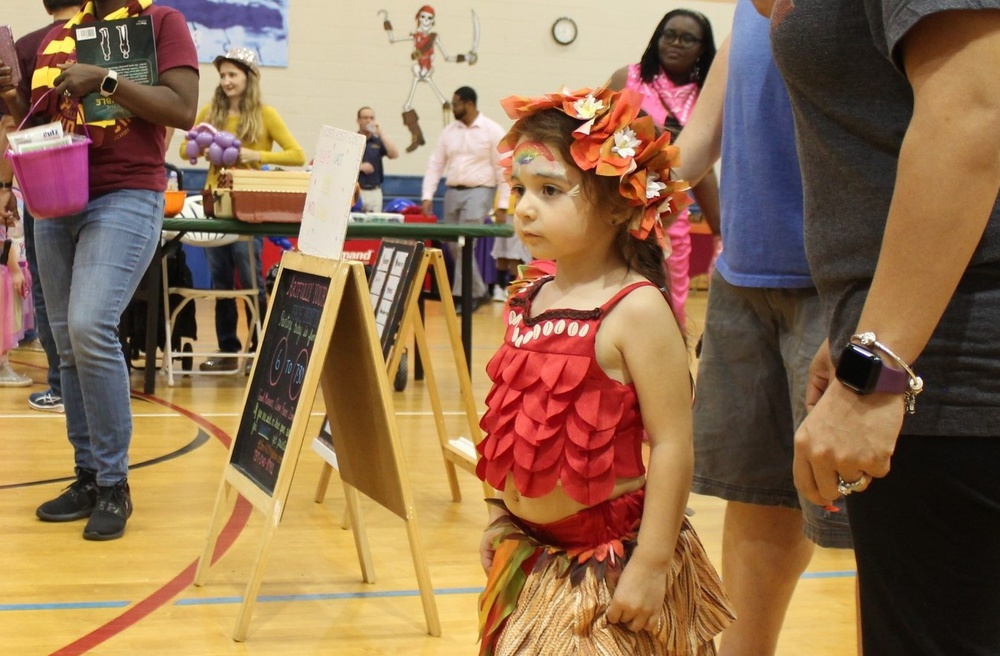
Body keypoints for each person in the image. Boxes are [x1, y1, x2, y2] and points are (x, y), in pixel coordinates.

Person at [768, 1, 1000, 653]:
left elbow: (975, 109)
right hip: (937, 355)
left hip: (961, 379)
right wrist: (860, 329)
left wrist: (875, 367)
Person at [476, 86, 734, 655]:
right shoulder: (528, 295)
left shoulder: (636, 308)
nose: (522, 206)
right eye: (519, 188)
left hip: (610, 568)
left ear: (621, 204)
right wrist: (498, 511)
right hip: (532, 555)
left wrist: (653, 561)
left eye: (549, 190)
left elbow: (672, 444)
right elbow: (509, 420)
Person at [673, 2, 852, 653]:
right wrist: (603, 166)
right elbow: (696, 142)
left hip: (840, 283)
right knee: (755, 498)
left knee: (869, 522)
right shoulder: (747, 14)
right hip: (745, 278)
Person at [0, 0, 199, 541]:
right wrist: (7, 95)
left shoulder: (161, 23)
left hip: (127, 193)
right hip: (54, 193)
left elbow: (182, 109)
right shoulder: (58, 34)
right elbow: (29, 119)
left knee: (89, 325)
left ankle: (114, 484)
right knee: (64, 342)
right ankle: (87, 476)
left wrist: (105, 80)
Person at [186, 47, 305, 372]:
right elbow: (185, 147)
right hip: (216, 206)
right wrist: (204, 148)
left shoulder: (266, 115)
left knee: (250, 280)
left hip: (248, 208)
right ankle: (228, 351)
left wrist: (258, 156)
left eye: (232, 75)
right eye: (223, 75)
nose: (226, 81)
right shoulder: (211, 112)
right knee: (221, 283)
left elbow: (297, 155)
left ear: (249, 78)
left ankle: (262, 350)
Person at [608, 9, 720, 328]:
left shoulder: (707, 96)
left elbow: (704, 170)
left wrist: (720, 232)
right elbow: (594, 137)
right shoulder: (626, 79)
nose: (675, 43)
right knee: (616, 305)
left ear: (702, 48)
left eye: (687, 38)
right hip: (620, 213)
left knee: (670, 308)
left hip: (671, 221)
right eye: (668, 35)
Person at [3, 0, 82, 413]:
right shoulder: (98, 39)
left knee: (52, 296)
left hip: (44, 188)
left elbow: (11, 126)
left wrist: (5, 185)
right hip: (92, 183)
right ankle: (95, 385)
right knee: (89, 304)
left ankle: (61, 385)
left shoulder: (28, 46)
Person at [420, 86, 509, 313]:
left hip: (480, 191)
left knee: (466, 242)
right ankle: (479, 290)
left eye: (456, 103)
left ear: (469, 104)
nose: (453, 107)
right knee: (453, 245)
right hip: (452, 192)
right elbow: (436, 163)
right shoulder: (449, 131)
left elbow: (503, 170)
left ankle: (463, 297)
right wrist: (427, 195)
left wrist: (502, 204)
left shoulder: (492, 130)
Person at [0, 217, 33, 387]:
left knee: (9, 321)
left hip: (16, 265)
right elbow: (3, 238)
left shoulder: (18, 195)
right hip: (6, 268)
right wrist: (14, 270)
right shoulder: (4, 196)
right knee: (5, 322)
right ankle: (1, 366)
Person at [356, 106, 399, 213]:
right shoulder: (353, 140)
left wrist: (381, 134)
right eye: (365, 118)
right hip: (357, 190)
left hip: (375, 191)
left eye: (371, 118)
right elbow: (343, 164)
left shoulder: (378, 141)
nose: (368, 121)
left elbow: (394, 155)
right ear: (358, 121)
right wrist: (360, 166)